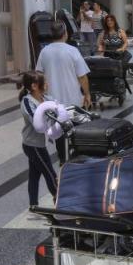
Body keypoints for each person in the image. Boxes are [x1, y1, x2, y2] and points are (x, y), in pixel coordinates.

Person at [35, 22, 91, 163]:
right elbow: (82, 77)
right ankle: (77, 159)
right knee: (77, 131)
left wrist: (40, 98)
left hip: (53, 103)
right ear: (65, 34)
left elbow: (38, 75)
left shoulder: (44, 52)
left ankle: (62, 159)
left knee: (59, 132)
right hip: (73, 101)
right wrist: (87, 94)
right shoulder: (72, 51)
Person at [18, 71, 58, 208]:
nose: (47, 84)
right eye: (44, 82)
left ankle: (33, 205)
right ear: (34, 86)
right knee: (50, 173)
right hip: (32, 145)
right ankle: (60, 201)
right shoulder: (27, 101)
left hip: (40, 143)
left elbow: (58, 108)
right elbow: (36, 121)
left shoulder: (45, 98)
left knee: (34, 175)